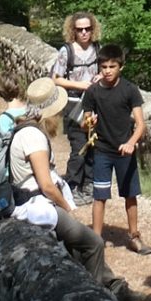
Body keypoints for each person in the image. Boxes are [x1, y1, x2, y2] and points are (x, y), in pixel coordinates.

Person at [9, 77, 146, 301]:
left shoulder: (22, 129)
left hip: (31, 203)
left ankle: (114, 286)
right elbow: (47, 186)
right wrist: (66, 207)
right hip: (37, 206)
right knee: (94, 243)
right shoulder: (33, 136)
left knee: (78, 244)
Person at [82, 44, 151, 255]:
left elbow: (140, 124)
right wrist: (88, 122)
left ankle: (134, 236)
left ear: (121, 66)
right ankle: (96, 240)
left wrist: (131, 142)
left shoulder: (130, 90)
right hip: (102, 150)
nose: (108, 71)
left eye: (112, 66)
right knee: (99, 195)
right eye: (104, 66)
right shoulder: (93, 92)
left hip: (124, 152)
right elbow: (84, 122)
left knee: (130, 195)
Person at [51, 12, 102, 206]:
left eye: (87, 29)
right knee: (78, 146)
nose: (84, 33)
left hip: (94, 105)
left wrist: (99, 79)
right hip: (73, 105)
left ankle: (89, 185)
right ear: (73, 30)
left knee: (92, 145)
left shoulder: (97, 49)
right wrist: (81, 85)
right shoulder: (67, 51)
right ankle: (72, 185)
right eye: (79, 29)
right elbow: (56, 78)